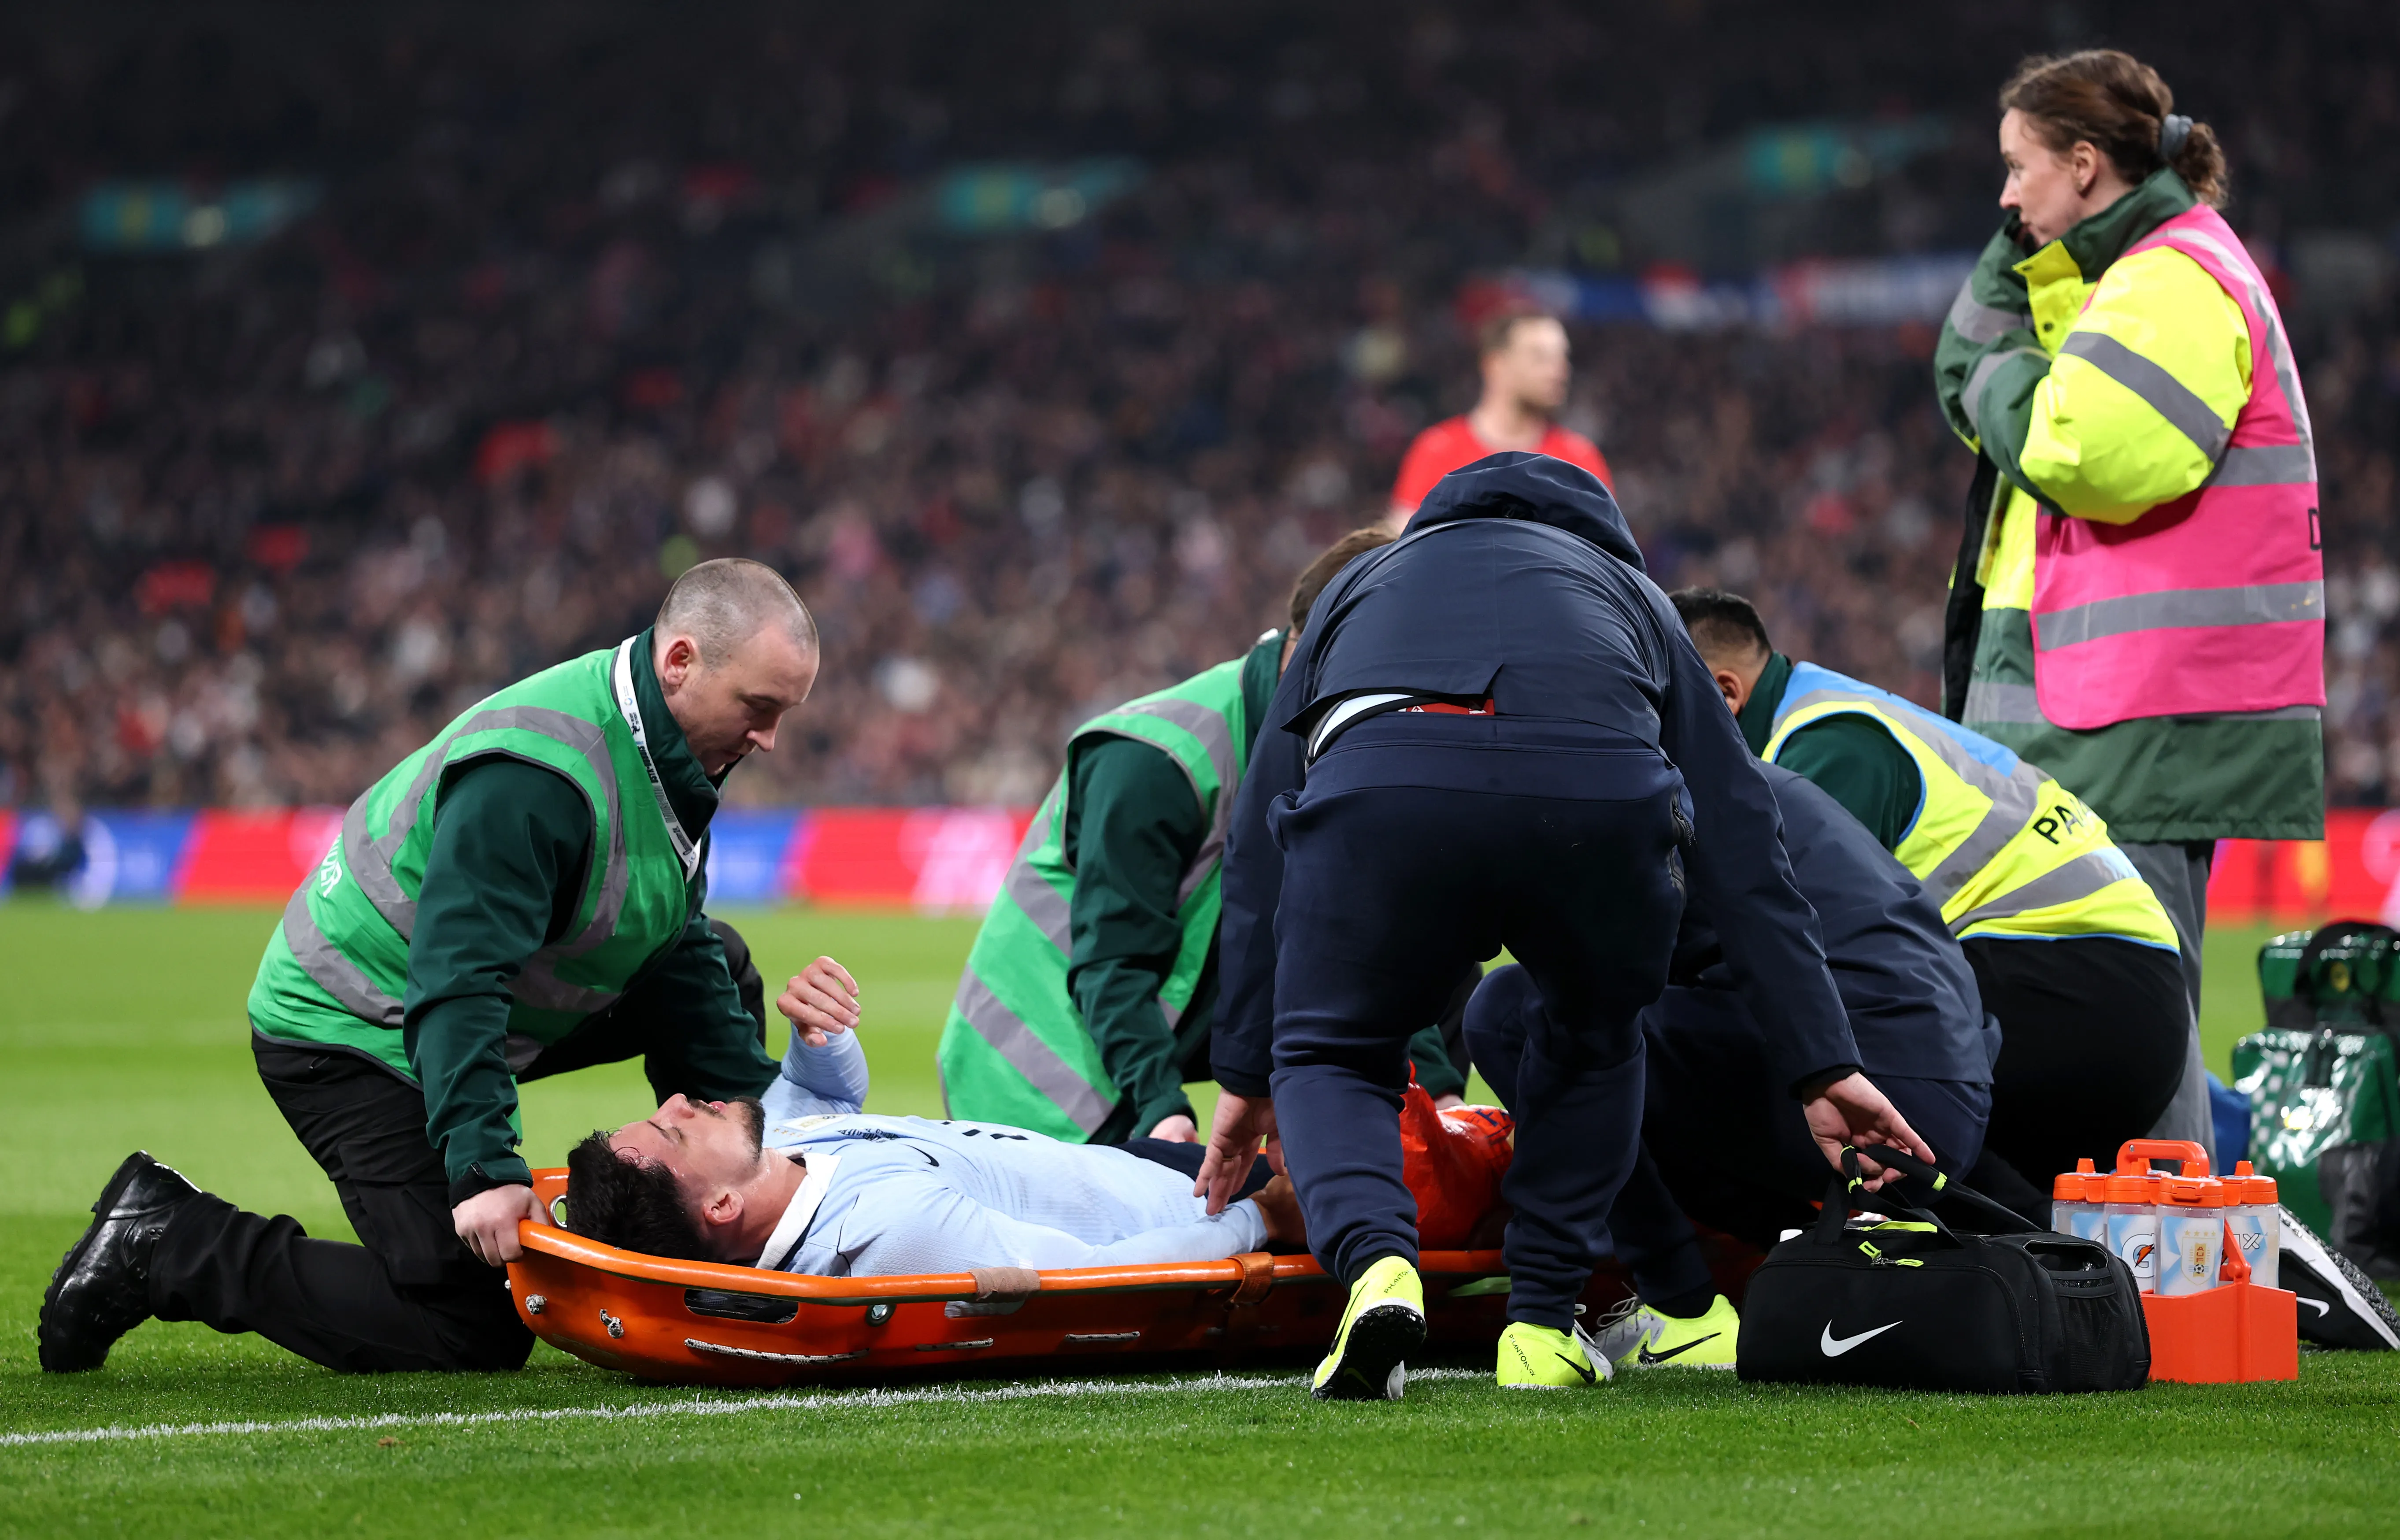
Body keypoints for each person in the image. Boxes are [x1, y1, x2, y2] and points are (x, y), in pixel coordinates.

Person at [1198, 452, 1931, 1399]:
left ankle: (1378, 1268)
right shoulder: (1635, 597)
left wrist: (1246, 1068)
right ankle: (1541, 1330)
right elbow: (1745, 843)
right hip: (1596, 800)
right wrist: (1820, 1063)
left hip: (1386, 788)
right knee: (1594, 1040)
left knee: (1331, 1049)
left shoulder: (1360, 584)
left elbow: (1257, 848)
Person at [39, 559, 853, 1375]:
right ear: (680, 662)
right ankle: (169, 1240)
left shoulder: (669, 746)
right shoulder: (537, 776)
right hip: (351, 1027)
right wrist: (483, 1169)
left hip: (458, 1002)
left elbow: (672, 945)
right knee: (472, 1324)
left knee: (716, 964)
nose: (769, 738)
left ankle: (713, 1249)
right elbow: (458, 981)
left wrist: (791, 1158)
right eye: (759, 708)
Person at [1934, 50, 2324, 1159]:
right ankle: (2132, 1246)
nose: (2006, 196)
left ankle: (2167, 1256)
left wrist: (1996, 364)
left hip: (2139, 722)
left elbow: (2084, 452)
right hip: (2102, 713)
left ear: (2083, 163)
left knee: (2137, 1019)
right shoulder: (2128, 281)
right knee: (2105, 1015)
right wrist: (2026, 284)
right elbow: (1998, 392)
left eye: (2019, 168)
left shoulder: (2174, 278)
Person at [937, 528, 1474, 1148]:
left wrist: (1441, 1099)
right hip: (1037, 1075)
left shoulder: (1330, 746)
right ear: (1314, 651)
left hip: (1145, 1042)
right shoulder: (1156, 760)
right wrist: (1163, 1111)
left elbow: (1383, 947)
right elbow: (1114, 964)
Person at [1672, 586, 2184, 1222]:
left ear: (1725, 694)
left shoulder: (1821, 749)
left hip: (2079, 985)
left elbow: (1787, 944)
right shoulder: (1834, 715)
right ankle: (2066, 1246)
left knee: (1875, 1056)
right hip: (2107, 987)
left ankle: (2046, 1250)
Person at [1467, 762, 2000, 1370]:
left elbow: (1589, 991)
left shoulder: (1635, 788)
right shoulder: (1739, 779)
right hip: (1941, 1100)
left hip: (1858, 1082)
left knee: (1511, 1012)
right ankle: (1796, 1272)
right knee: (1619, 1044)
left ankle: (1683, 1306)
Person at [1385, 310, 1612, 529]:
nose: (1560, 371)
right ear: (1496, 364)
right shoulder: (1437, 450)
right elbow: (1403, 543)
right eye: (1540, 357)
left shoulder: (1580, 460)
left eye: (1562, 358)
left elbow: (1607, 549)